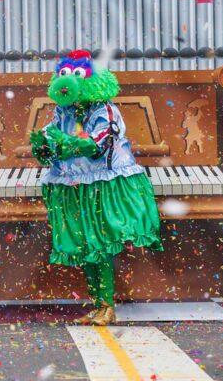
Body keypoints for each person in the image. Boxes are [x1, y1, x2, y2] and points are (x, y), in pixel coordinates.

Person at [31, 50, 161, 326]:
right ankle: (97, 305)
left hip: (104, 184)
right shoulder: (63, 110)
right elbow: (50, 138)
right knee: (85, 247)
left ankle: (107, 306)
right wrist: (43, 144)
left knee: (99, 245)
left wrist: (65, 141)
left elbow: (97, 145)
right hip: (73, 184)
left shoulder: (105, 110)